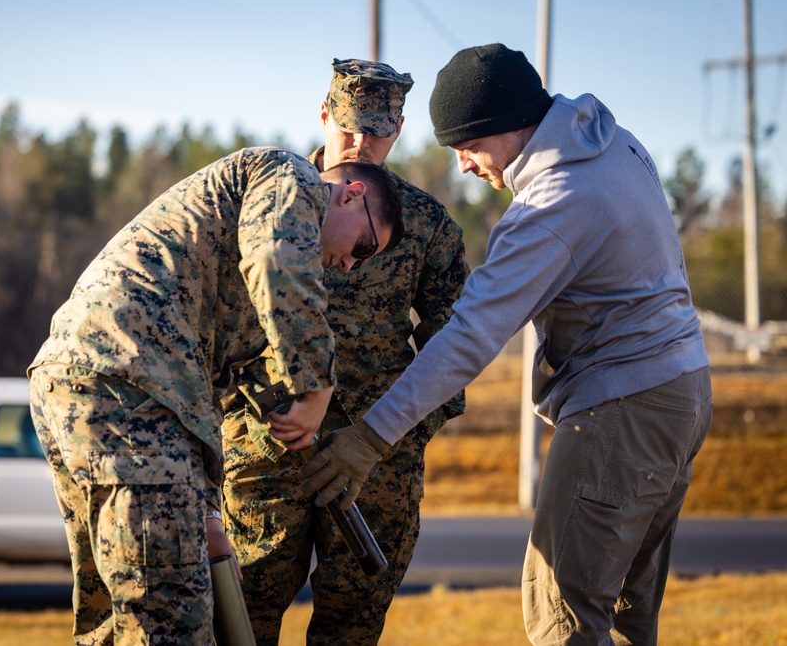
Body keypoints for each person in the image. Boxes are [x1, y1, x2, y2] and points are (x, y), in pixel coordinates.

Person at [301, 43, 712, 645]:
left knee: (562, 617)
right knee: (626, 614)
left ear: (508, 128)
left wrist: (368, 438)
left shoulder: (554, 204)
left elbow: (468, 335)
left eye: (468, 147)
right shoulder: (614, 142)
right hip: (684, 391)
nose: (465, 166)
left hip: (624, 408)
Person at [27, 146, 403, 646]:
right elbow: (276, 257)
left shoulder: (230, 278)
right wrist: (317, 385)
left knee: (117, 619)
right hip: (131, 382)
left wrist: (205, 514)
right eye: (362, 248)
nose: (350, 267)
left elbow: (210, 395)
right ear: (351, 196)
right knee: (170, 619)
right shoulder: (290, 177)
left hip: (92, 381)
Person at [220, 59, 469, 645]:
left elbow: (453, 347)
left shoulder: (425, 225)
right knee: (239, 622)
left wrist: (398, 435)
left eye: (378, 133)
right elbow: (217, 321)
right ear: (324, 114)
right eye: (350, 127)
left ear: (399, 131)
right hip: (265, 449)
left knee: (350, 626)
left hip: (374, 459)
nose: (362, 143)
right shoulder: (266, 201)